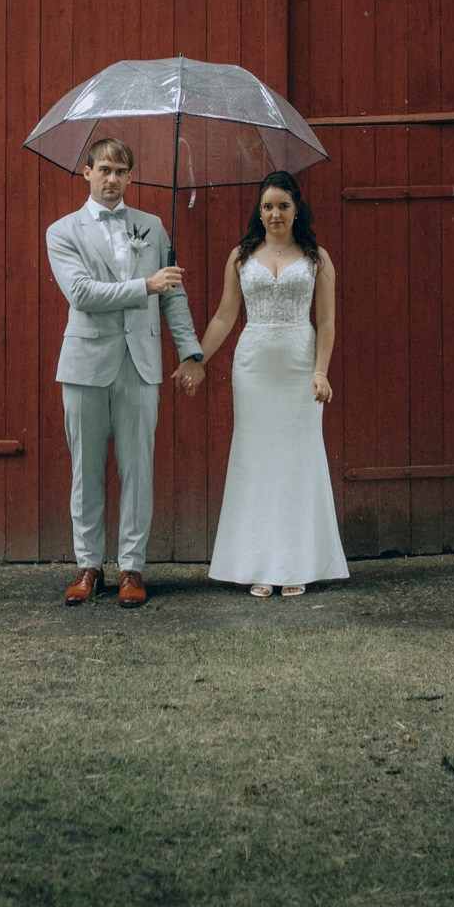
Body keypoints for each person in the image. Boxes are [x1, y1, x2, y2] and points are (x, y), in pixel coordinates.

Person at [45, 136, 204, 608]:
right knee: (85, 470)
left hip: (141, 363)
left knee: (139, 470)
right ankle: (88, 566)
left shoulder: (153, 227)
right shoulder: (63, 230)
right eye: (104, 170)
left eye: (121, 171)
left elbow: (172, 294)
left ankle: (132, 567)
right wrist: (145, 285)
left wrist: (191, 351)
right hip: (85, 363)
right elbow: (81, 293)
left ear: (131, 176)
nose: (112, 179)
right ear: (87, 173)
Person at [198, 170, 349, 597]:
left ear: (296, 208)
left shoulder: (317, 258)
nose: (275, 213)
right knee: (256, 461)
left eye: (282, 205)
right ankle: (258, 565)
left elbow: (326, 320)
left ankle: (297, 563)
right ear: (258, 212)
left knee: (299, 461)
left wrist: (321, 370)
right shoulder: (241, 257)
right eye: (267, 206)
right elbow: (225, 316)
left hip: (300, 366)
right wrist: (197, 359)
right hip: (253, 369)